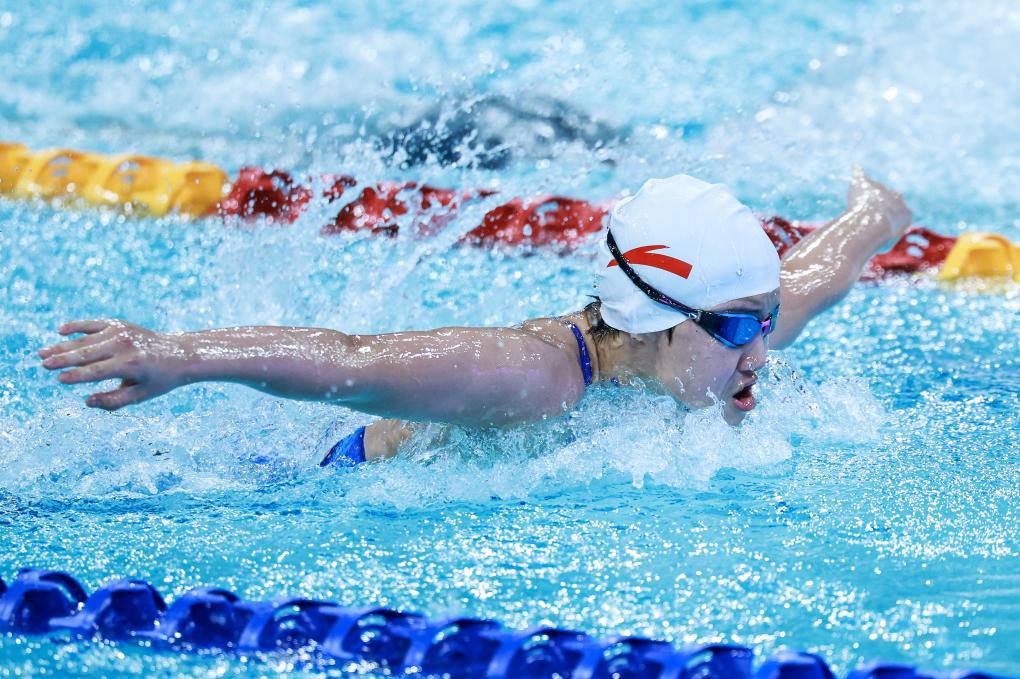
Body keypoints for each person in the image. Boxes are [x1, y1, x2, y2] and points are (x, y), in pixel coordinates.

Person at [38, 168, 911, 466]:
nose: (763, 344)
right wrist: (178, 354)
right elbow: (352, 359)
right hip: (328, 477)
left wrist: (874, 212)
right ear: (653, 319)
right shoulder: (536, 376)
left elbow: (815, 272)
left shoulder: (720, 330)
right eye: (739, 327)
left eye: (765, 318)